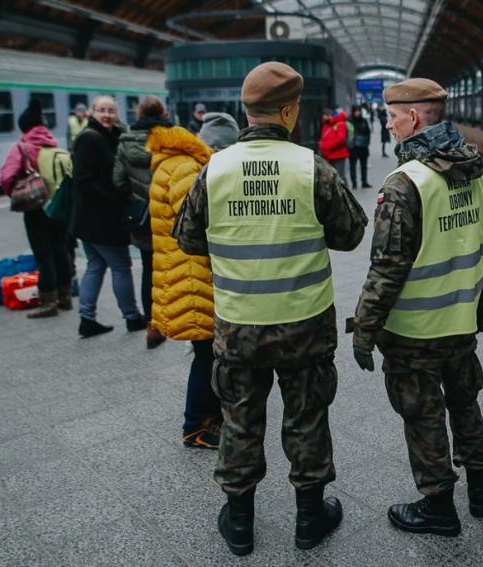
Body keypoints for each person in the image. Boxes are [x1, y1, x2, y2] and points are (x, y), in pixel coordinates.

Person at [174, 62, 367, 556]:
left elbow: (188, 239)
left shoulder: (213, 169)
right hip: (305, 324)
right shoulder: (311, 166)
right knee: (306, 417)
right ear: (288, 111)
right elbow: (350, 235)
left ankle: (239, 524)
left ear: (247, 111)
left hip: (239, 327)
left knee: (239, 418)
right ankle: (309, 519)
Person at [351, 78, 483, 538]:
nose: (389, 124)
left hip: (415, 329)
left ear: (412, 118)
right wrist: (476, 306)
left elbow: (387, 267)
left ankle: (438, 504)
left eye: (392, 116)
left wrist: (365, 328)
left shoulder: (406, 182)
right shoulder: (475, 170)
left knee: (423, 413)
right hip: (459, 319)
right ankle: (480, 485)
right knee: (464, 400)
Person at [146, 108, 239, 450]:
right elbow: (199, 223)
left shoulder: (179, 162)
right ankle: (196, 425)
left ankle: (209, 415)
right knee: (205, 352)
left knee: (209, 350)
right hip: (191, 274)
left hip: (185, 270)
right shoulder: (189, 169)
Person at [71, 95, 145, 337]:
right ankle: (132, 317)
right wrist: (113, 196)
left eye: (111, 110)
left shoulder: (110, 136)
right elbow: (84, 179)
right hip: (100, 218)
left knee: (95, 266)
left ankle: (86, 318)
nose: (107, 115)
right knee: (121, 267)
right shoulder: (89, 138)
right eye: (101, 110)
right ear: (92, 112)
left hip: (90, 219)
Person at [0, 99, 73, 319]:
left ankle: (48, 303)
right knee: (61, 251)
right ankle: (65, 297)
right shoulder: (54, 146)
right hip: (59, 208)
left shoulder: (22, 147)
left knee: (44, 256)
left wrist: (17, 192)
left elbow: (6, 177)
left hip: (36, 208)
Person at [112, 95, 170, 349]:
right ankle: (181, 320)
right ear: (163, 113)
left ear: (138, 114)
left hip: (143, 216)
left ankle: (153, 326)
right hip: (170, 212)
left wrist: (137, 196)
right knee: (175, 266)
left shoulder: (124, 143)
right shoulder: (173, 138)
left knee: (149, 269)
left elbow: (118, 181)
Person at [318, 107, 349, 186]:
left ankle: (345, 193)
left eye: (326, 115)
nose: (324, 117)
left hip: (338, 155)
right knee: (330, 176)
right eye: (324, 115)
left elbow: (341, 139)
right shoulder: (326, 125)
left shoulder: (340, 124)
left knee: (340, 176)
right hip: (328, 155)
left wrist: (327, 146)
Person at [348, 104, 372, 189]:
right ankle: (354, 183)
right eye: (356, 111)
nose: (358, 113)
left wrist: (367, 142)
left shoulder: (364, 121)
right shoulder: (349, 121)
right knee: (353, 165)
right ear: (353, 111)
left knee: (364, 165)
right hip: (353, 147)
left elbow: (368, 132)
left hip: (363, 147)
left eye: (359, 111)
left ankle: (364, 182)